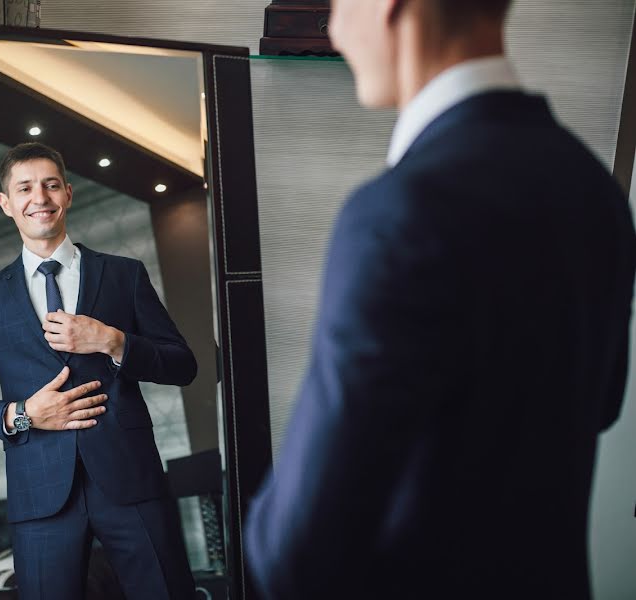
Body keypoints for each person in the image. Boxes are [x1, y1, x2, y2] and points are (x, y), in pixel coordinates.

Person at [244, 1, 635, 598]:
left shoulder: (395, 213)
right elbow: (600, 403)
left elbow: (295, 547)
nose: (338, 29)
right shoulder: (594, 188)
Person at [0, 142, 197, 600]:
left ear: (68, 194)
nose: (39, 197)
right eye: (25, 188)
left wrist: (113, 341)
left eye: (50, 184)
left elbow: (184, 366)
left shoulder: (124, 274)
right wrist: (22, 414)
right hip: (39, 496)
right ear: (7, 203)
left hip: (132, 481)